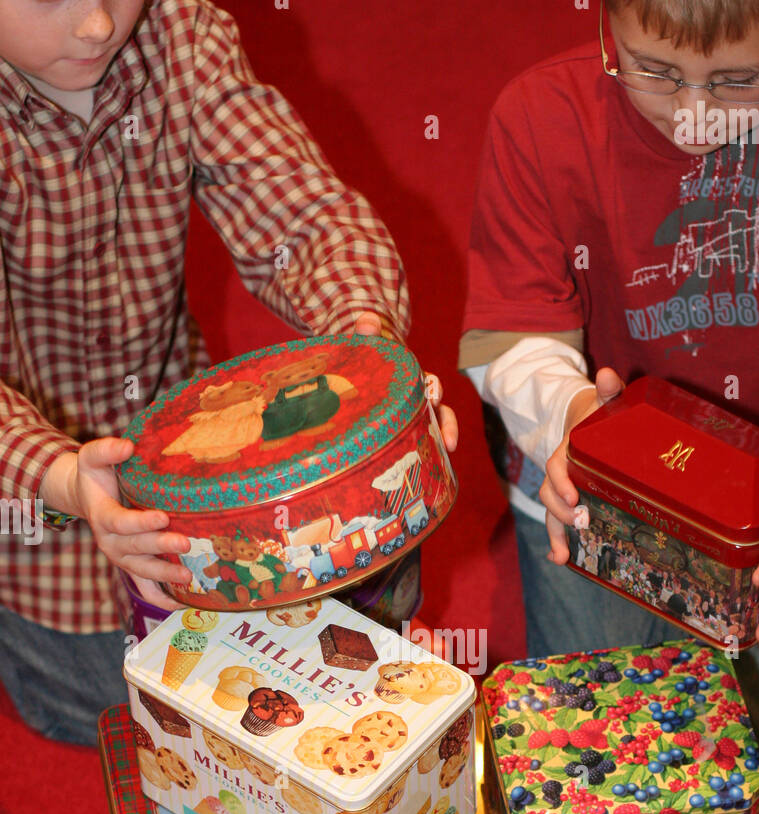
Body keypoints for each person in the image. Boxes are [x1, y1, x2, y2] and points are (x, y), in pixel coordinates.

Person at [0, 0, 456, 746]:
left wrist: (369, 362)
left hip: (182, 443)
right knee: (114, 710)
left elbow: (304, 219)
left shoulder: (181, 33)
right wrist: (60, 481)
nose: (96, 25)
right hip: (32, 527)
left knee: (332, 602)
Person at [461, 0, 759, 774]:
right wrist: (567, 415)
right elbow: (511, 336)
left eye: (740, 80)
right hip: (590, 486)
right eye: (653, 70)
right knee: (603, 741)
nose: (693, 117)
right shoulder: (540, 116)